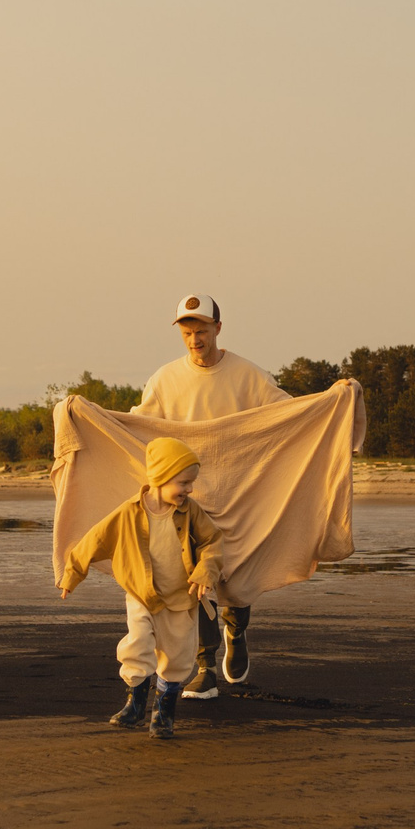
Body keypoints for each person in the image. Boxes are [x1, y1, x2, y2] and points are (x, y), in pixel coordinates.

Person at [135, 293, 288, 697]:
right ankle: (206, 666)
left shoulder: (249, 376)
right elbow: (140, 426)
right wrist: (85, 416)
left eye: (201, 330)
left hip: (241, 492)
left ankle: (236, 631)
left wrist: (334, 402)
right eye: (187, 332)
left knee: (235, 577)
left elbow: (289, 415)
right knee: (196, 573)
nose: (194, 339)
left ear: (218, 329)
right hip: (188, 497)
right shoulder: (165, 379)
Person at [56, 437, 222, 742]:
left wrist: (205, 570)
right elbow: (93, 541)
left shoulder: (191, 512)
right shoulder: (128, 513)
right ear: (160, 478)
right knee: (138, 645)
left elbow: (213, 542)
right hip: (141, 594)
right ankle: (134, 704)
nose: (189, 490)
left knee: (176, 660)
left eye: (191, 483)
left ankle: (164, 714)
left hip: (181, 599)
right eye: (184, 482)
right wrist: (72, 574)